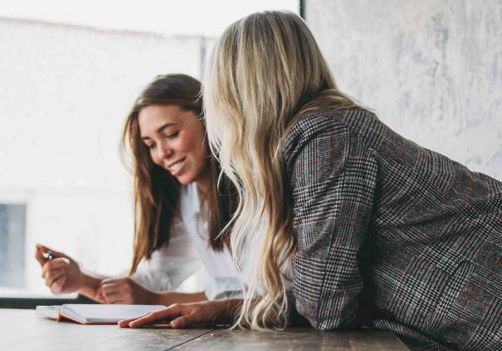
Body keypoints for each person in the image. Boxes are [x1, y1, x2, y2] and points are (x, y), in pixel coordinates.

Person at [119, 11, 502, 351]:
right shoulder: (316, 138)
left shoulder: (327, 137)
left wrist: (242, 306)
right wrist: (224, 309)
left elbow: (325, 305)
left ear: (243, 87)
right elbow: (320, 296)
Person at [35, 73, 241, 306]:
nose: (162, 154)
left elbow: (257, 295)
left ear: (209, 120)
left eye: (171, 134)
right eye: (151, 145)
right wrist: (81, 281)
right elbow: (155, 280)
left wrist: (157, 300)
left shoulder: (255, 190)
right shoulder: (187, 198)